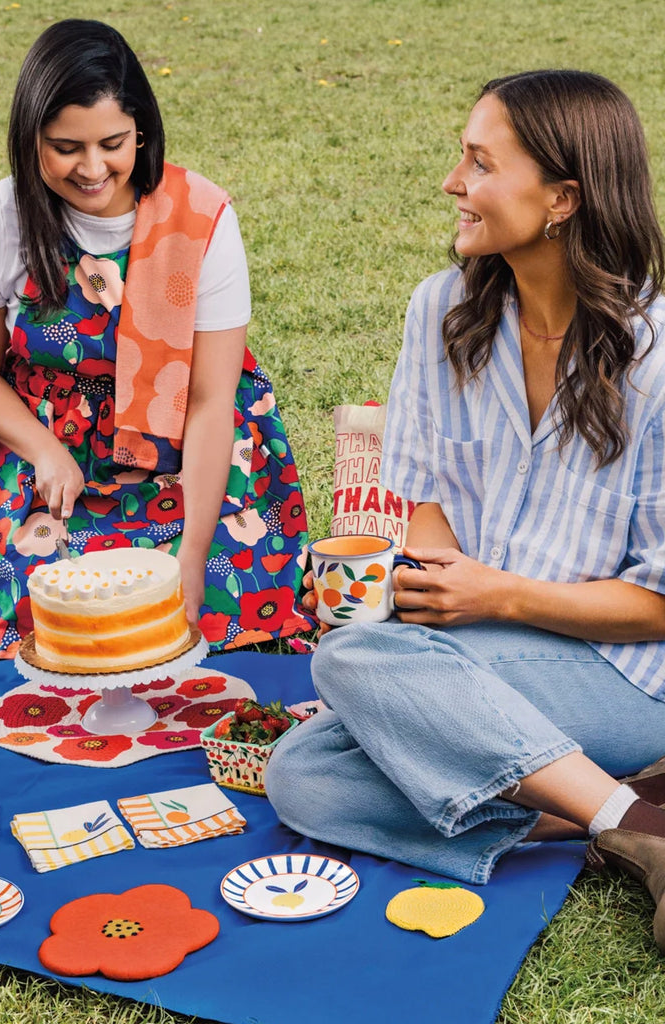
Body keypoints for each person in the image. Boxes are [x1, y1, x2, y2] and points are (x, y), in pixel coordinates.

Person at [266, 69, 665, 951]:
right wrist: (439, 595)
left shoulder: (657, 361)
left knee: (356, 660)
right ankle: (627, 814)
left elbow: (660, 610)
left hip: (628, 674)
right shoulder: (441, 311)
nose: (454, 182)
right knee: (303, 775)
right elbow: (424, 500)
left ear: (562, 198)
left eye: (480, 163)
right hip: (476, 646)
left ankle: (613, 802)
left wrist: (496, 600)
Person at [0, 19, 311, 658]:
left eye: (112, 143)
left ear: (140, 128)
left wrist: (194, 557)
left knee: (200, 603)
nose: (92, 169)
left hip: (187, 448)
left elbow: (208, 400)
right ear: (30, 139)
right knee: (42, 623)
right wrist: (44, 453)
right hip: (46, 454)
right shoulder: (1, 217)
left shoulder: (203, 218)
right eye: (66, 147)